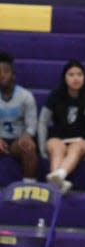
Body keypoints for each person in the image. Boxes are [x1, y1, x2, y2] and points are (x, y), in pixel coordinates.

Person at [38, 60, 85, 194]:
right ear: (64, 77)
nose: (75, 78)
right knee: (57, 147)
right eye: (71, 74)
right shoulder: (55, 95)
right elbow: (43, 121)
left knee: (76, 147)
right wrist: (42, 148)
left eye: (79, 74)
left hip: (80, 140)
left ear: (84, 77)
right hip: (57, 138)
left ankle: (58, 176)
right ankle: (59, 181)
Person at [0, 51, 39, 181]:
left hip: (18, 140)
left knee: (29, 147)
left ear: (13, 75)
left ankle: (29, 185)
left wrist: (26, 137)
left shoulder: (25, 96)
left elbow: (32, 125)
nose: (1, 75)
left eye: (5, 72)